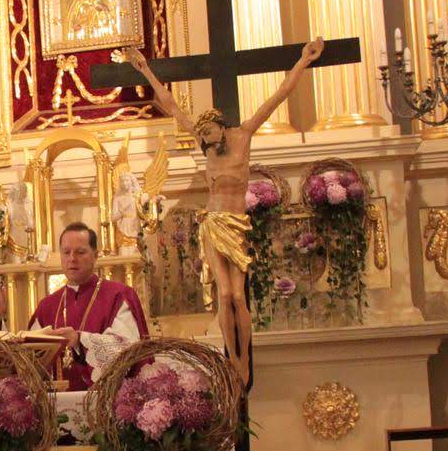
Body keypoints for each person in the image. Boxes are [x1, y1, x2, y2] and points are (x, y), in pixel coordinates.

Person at [124, 38, 324, 384]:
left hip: (237, 223)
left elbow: (278, 95)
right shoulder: (208, 147)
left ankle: (243, 360)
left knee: (239, 298)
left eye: (208, 131)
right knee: (225, 295)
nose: (204, 138)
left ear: (220, 125)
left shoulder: (243, 135)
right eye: (201, 134)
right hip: (214, 223)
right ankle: (231, 358)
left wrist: (304, 61)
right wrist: (145, 70)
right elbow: (172, 106)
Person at [25, 223, 149, 390]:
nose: (72, 258)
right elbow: (29, 359)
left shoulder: (118, 295)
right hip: (58, 401)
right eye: (66, 252)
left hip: (105, 399)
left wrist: (79, 339)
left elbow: (126, 349)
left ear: (95, 255)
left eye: (80, 252)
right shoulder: (47, 306)